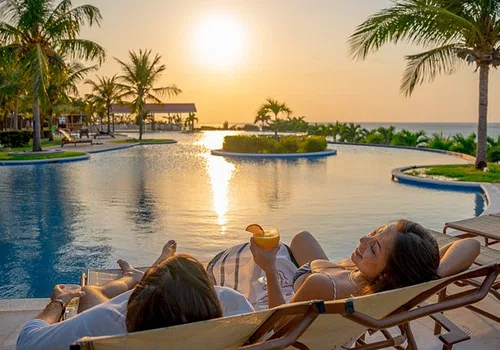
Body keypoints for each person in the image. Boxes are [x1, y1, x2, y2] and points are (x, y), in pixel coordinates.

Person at [17, 241, 254, 350]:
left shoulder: (106, 323)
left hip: (127, 319)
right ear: (208, 292)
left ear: (138, 303)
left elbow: (27, 342)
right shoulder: (234, 306)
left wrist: (58, 302)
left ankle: (136, 277)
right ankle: (147, 273)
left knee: (91, 290)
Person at [250, 219, 480, 309]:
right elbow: (471, 245)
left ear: (388, 274)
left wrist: (269, 269)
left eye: (373, 248)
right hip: (340, 272)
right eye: (374, 233)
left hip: (300, 287)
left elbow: (276, 327)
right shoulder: (394, 278)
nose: (363, 240)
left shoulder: (320, 286)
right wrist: (433, 273)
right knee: (302, 237)